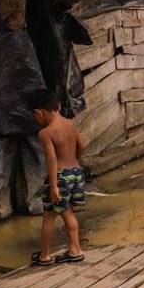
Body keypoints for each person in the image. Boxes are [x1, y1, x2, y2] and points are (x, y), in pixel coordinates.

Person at [29, 89, 87, 266]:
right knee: (68, 211)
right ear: (59, 106)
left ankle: (45, 255)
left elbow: (52, 160)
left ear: (39, 113)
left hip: (60, 177)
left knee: (49, 215)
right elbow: (82, 146)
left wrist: (53, 185)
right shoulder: (70, 124)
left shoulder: (45, 133)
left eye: (35, 116)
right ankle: (75, 249)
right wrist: (75, 160)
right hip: (76, 173)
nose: (36, 120)